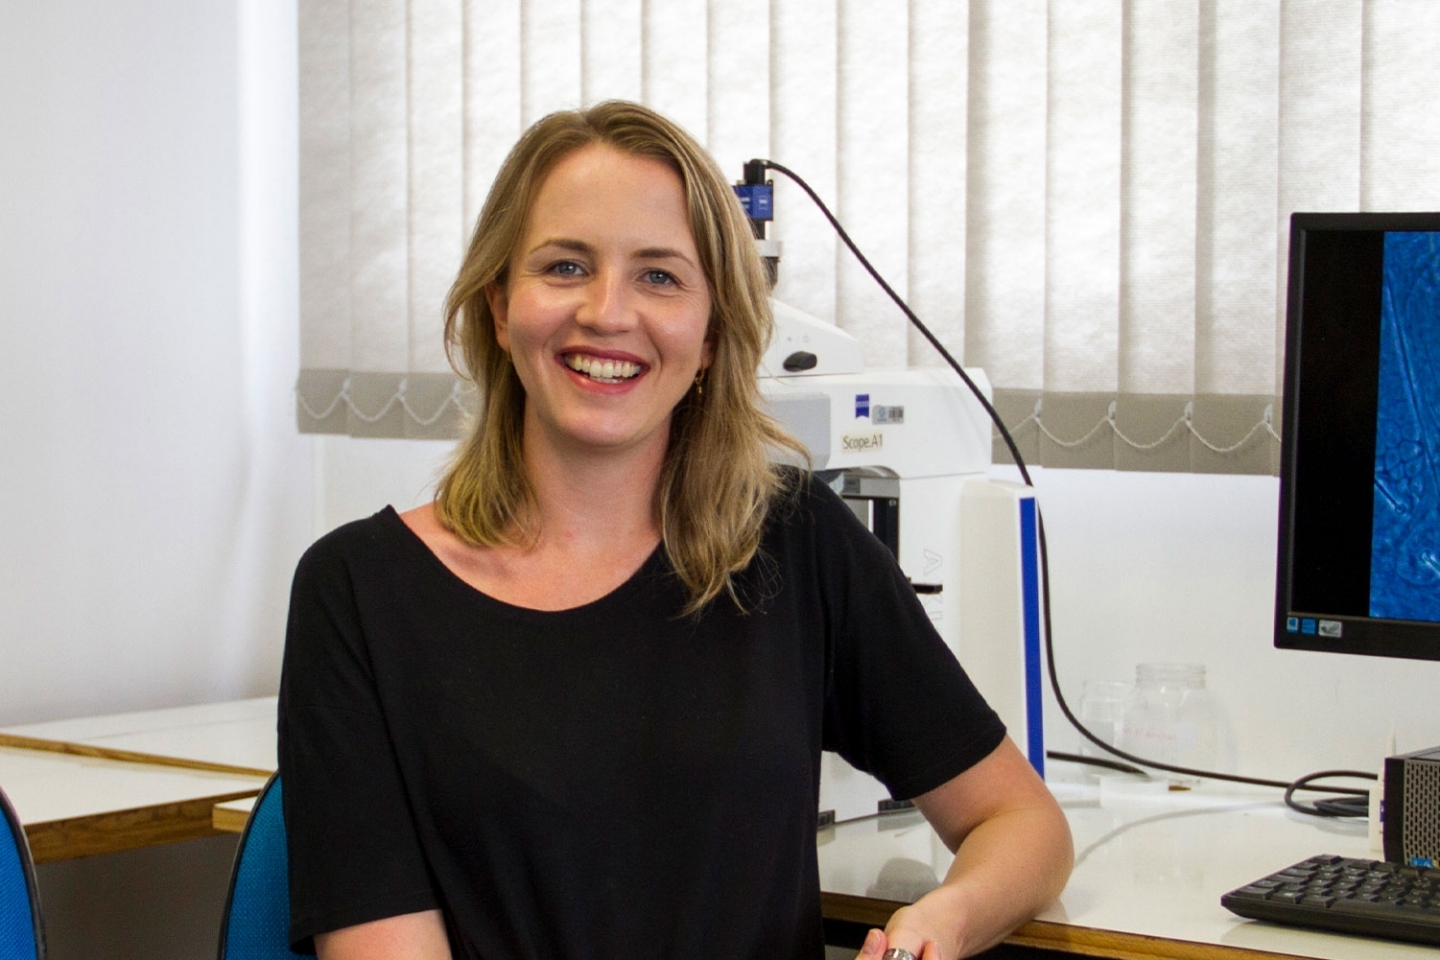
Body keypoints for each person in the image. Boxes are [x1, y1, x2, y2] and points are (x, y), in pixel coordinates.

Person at [278, 99, 1073, 960]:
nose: (607, 312)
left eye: (659, 277)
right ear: (499, 307)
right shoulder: (359, 594)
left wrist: (938, 926)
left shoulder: (797, 543)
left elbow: (1021, 821)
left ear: (712, 335)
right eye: (565, 266)